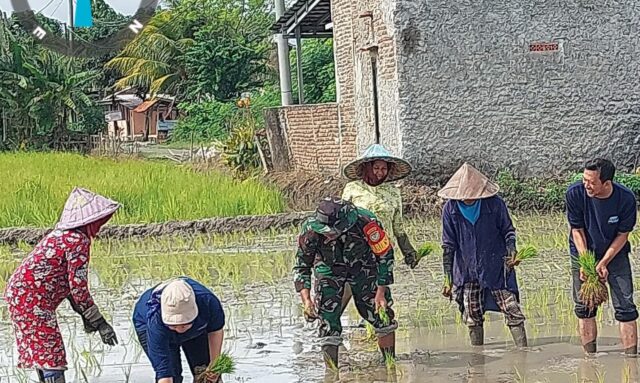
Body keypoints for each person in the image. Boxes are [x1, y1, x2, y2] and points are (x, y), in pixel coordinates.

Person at [4, 187, 120, 383]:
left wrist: (86, 316)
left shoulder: (59, 235)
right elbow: (79, 290)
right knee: (51, 354)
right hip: (33, 300)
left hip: (19, 295)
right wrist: (101, 323)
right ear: (92, 220)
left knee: (44, 353)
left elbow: (66, 287)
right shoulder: (78, 242)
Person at [294, 197, 398, 369]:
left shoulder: (366, 222)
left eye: (333, 231)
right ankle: (332, 373)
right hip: (329, 269)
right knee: (328, 320)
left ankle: (390, 363)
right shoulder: (310, 230)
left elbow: (385, 255)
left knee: (381, 315)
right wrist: (306, 300)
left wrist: (381, 292)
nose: (329, 235)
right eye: (326, 231)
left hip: (364, 266)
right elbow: (301, 265)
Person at [438, 163, 527, 347]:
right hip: (467, 270)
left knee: (512, 310)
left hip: (496, 267)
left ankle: (523, 352)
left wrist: (512, 251)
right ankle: (478, 358)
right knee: (472, 315)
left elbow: (508, 231)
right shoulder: (450, 210)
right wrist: (448, 279)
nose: (468, 198)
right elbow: (448, 246)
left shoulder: (494, 204)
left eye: (473, 194)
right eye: (465, 195)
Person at [565, 158, 638, 355]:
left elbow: (623, 235)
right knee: (585, 307)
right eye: (584, 179)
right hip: (583, 252)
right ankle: (590, 360)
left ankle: (631, 361)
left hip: (615, 253)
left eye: (591, 182)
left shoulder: (626, 199)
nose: (586, 185)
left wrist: (604, 262)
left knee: (626, 307)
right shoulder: (575, 194)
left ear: (606, 183)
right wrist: (587, 264)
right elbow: (577, 230)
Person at [133, 277, 226, 383]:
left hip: (197, 328)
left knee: (205, 373)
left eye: (184, 324)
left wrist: (214, 365)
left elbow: (215, 331)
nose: (179, 330)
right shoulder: (154, 318)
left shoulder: (208, 302)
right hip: (151, 326)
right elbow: (164, 375)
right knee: (173, 375)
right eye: (174, 325)